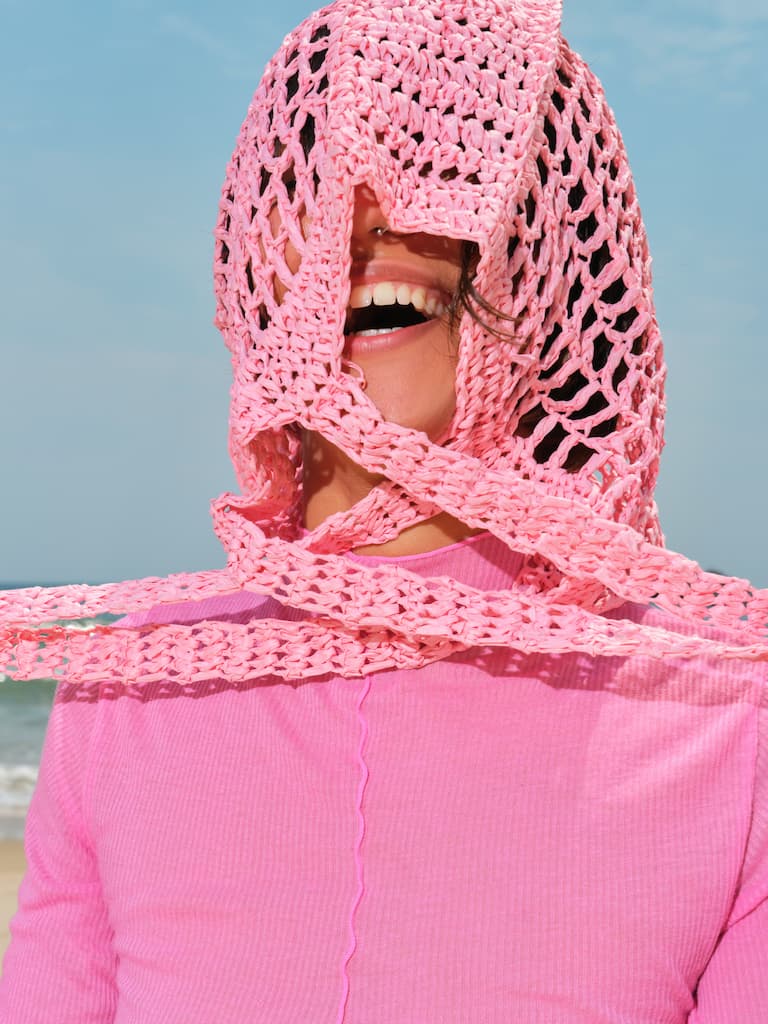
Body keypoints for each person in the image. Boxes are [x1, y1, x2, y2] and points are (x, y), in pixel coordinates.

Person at [1, 0, 766, 1020]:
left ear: (556, 262)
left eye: (454, 162)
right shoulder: (127, 692)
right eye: (313, 158)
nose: (369, 207)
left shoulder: (726, 716)